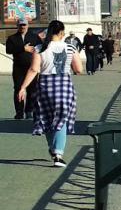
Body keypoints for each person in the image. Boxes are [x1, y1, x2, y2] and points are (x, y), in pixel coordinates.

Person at [17, 20, 83, 167]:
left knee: (46, 117)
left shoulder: (40, 48)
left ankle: (53, 149)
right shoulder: (71, 47)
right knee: (61, 118)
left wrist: (22, 88)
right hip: (64, 86)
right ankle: (58, 154)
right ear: (61, 33)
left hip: (45, 86)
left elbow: (34, 70)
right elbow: (79, 70)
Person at [6, 20, 40, 119]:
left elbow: (40, 48)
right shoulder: (12, 38)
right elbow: (8, 50)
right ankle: (19, 112)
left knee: (32, 90)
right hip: (18, 69)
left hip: (32, 67)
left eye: (24, 25)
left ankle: (29, 111)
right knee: (18, 89)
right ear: (17, 26)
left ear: (28, 25)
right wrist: (22, 48)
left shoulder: (34, 37)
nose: (22, 27)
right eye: (20, 25)